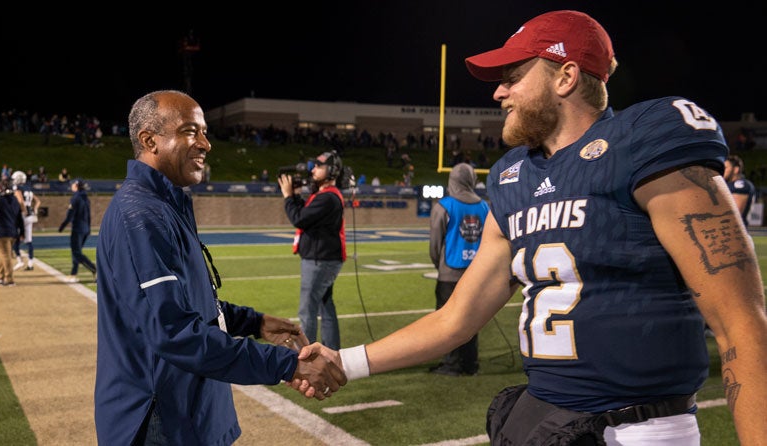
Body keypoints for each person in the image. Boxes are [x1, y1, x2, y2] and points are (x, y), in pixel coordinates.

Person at [297, 10, 767, 445]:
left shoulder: (641, 143)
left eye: (513, 77)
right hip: (547, 420)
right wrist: (346, 362)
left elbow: (740, 324)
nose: (498, 93)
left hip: (639, 429)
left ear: (565, 77)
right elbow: (455, 319)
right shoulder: (511, 176)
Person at [94, 90, 345, 446]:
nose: (206, 144)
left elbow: (189, 303)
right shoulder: (140, 214)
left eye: (204, 131)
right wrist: (287, 365)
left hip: (188, 408)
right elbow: (173, 331)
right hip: (161, 417)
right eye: (190, 131)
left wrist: (254, 322)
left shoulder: (166, 205)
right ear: (149, 140)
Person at [278, 150, 346, 350]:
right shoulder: (326, 196)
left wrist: (288, 197)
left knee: (307, 310)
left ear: (331, 171)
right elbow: (306, 215)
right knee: (326, 306)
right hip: (324, 258)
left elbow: (299, 219)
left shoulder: (327, 198)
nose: (313, 169)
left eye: (319, 166)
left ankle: (308, 356)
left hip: (320, 260)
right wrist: (296, 197)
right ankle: (332, 350)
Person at [427, 163, 489, 377]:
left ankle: (451, 364)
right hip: (476, 274)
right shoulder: (484, 207)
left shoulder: (444, 206)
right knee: (471, 319)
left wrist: (439, 265)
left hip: (450, 272)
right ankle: (470, 364)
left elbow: (435, 245)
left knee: (447, 319)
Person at [58, 179, 96, 283]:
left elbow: (70, 215)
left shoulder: (76, 198)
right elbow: (88, 215)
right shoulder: (85, 198)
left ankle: (94, 269)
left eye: (73, 184)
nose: (71, 186)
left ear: (77, 186)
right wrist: (88, 229)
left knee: (76, 252)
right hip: (85, 228)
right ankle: (73, 274)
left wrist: (62, 226)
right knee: (76, 252)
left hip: (78, 228)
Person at [11, 170, 41, 270]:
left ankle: (19, 261)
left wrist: (23, 211)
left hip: (22, 215)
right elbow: (38, 201)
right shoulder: (28, 188)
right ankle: (30, 264)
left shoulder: (17, 188)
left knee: (15, 238)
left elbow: (20, 201)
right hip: (30, 215)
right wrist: (35, 209)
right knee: (29, 240)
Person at [723, 154, 756, 228]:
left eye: (725, 168)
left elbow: (735, 214)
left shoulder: (740, 185)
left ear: (735, 169)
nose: (723, 171)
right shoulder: (726, 185)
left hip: (735, 232)